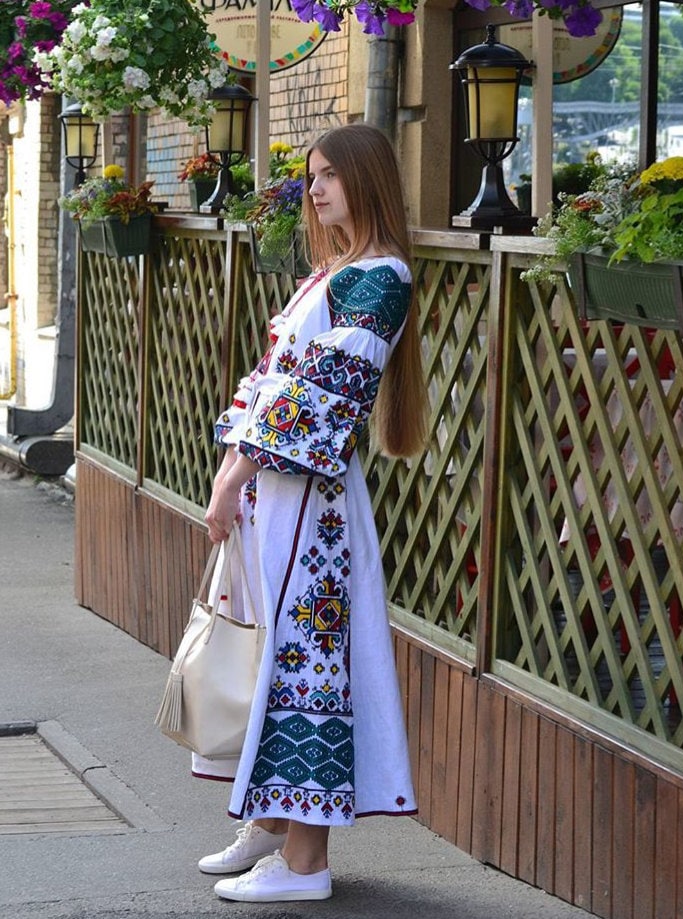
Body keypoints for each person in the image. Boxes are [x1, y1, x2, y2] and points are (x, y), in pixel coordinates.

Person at [197, 122, 428, 904]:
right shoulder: (334, 273)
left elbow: (324, 396)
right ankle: (270, 827)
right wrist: (234, 466)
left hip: (314, 511)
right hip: (280, 496)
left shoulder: (380, 276)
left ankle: (305, 863)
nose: (316, 189)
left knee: (308, 667)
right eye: (312, 176)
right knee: (280, 658)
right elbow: (268, 378)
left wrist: (236, 477)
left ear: (366, 181)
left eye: (330, 175)